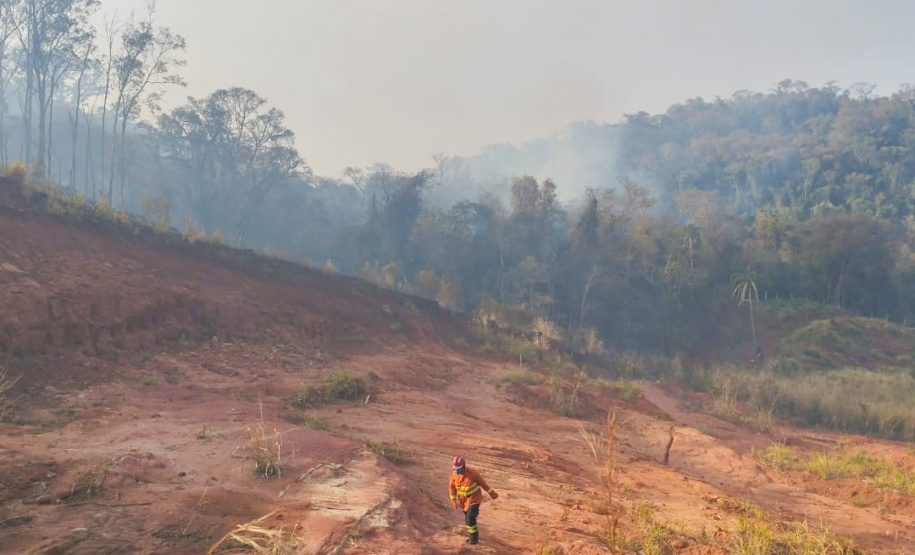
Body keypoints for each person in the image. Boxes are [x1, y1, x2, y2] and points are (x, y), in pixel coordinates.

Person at [448, 455, 498, 544]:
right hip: (463, 501)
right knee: (468, 520)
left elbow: (484, 485)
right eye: (455, 468)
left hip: (475, 499)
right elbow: (452, 488)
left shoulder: (473, 474)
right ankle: (472, 536)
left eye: (458, 468)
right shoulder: (454, 475)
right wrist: (453, 501)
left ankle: (474, 539)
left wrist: (493, 494)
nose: (456, 470)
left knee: (471, 517)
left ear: (463, 467)